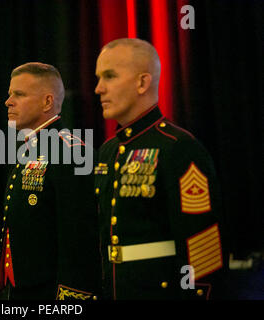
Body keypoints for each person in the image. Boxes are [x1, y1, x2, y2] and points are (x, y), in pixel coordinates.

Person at [94, 38, 227, 299]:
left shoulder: (178, 147)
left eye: (109, 76)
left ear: (142, 82)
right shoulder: (108, 151)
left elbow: (201, 239)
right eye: (99, 77)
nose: (99, 88)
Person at [0, 62, 101, 300]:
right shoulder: (29, 149)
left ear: (47, 102)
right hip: (21, 290)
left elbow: (80, 240)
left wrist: (72, 299)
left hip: (52, 294)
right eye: (10, 93)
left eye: (19, 94)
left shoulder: (72, 154)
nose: (8, 101)